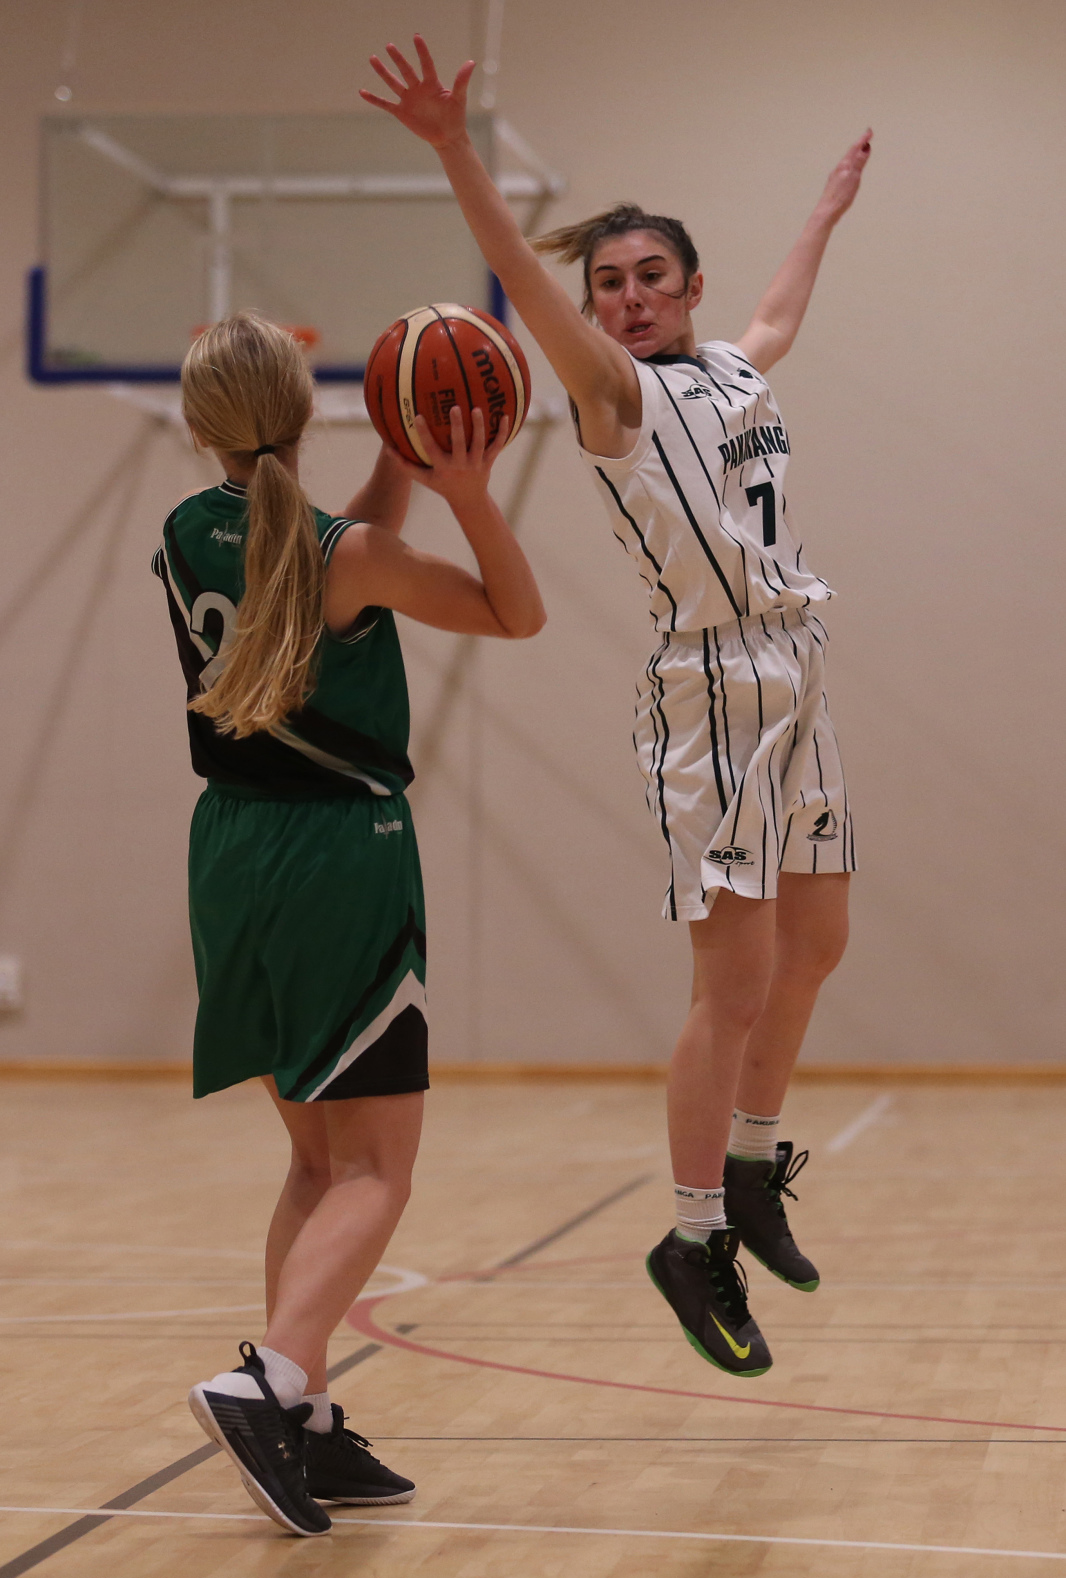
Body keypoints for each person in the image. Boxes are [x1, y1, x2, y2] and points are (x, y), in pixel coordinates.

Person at [362, 37, 871, 1379]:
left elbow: (778, 311)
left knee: (818, 943)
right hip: (711, 692)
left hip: (798, 666)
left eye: (650, 277)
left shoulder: (737, 368)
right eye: (608, 284)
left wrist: (822, 213)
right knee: (733, 980)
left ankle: (750, 1166)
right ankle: (692, 1236)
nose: (629, 297)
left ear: (689, 288)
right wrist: (455, 150)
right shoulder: (613, 396)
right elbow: (523, 282)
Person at [157, 311, 545, 1535]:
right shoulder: (353, 555)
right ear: (307, 408)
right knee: (378, 1167)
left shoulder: (185, 530)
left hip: (229, 850)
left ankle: (309, 1418)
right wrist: (469, 493)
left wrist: (397, 462)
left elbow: (318, 547)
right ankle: (266, 1381)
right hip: (339, 857)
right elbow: (516, 612)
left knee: (317, 1163)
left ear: (202, 426)